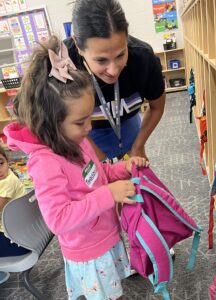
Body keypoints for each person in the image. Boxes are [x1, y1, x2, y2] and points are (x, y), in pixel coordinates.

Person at [4, 36, 148, 300]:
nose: (89, 128)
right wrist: (110, 195)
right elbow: (59, 220)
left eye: (89, 118)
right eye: (80, 122)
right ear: (51, 123)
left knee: (114, 291)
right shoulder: (45, 163)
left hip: (106, 236)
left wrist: (122, 170)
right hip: (89, 251)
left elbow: (97, 177)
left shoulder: (77, 141)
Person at [65, 0, 166, 162]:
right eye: (101, 60)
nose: (113, 71)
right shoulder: (63, 65)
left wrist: (138, 146)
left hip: (128, 128)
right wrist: (94, 157)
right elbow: (56, 124)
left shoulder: (143, 58)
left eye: (120, 55)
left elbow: (156, 107)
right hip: (83, 137)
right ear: (77, 45)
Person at [0, 145, 28, 284]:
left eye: (0, 163)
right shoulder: (9, 174)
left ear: (7, 159)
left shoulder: (6, 183)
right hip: (25, 237)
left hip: (17, 243)